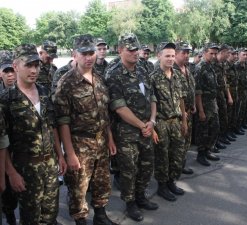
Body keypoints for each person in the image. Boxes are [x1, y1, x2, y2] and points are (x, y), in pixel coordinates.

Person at [54, 34, 117, 225]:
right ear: (75, 55)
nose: (89, 57)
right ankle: (80, 220)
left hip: (101, 140)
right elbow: (62, 121)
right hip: (79, 143)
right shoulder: (66, 83)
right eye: (85, 53)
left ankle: (100, 215)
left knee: (102, 181)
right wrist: (69, 154)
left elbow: (104, 113)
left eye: (92, 53)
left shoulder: (99, 78)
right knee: (78, 187)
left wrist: (110, 139)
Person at [0, 43, 66, 225]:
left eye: (36, 65)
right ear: (15, 66)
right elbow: (2, 141)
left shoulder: (44, 93)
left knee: (50, 214)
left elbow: (52, 125)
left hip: (50, 165)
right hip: (25, 169)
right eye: (28, 65)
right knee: (30, 218)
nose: (34, 70)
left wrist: (60, 155)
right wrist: (11, 172)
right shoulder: (6, 100)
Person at [105, 33, 158, 222]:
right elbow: (120, 108)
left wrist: (152, 121)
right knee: (129, 170)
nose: (135, 53)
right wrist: (143, 125)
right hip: (126, 133)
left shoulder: (143, 70)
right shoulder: (113, 75)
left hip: (146, 129)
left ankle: (141, 196)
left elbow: (152, 97)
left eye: (137, 49)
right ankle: (130, 203)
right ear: (120, 51)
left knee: (146, 165)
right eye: (131, 49)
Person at [151, 42, 187, 201]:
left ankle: (171, 181)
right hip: (161, 122)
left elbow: (181, 99)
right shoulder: (152, 77)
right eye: (167, 56)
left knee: (176, 154)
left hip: (176, 121)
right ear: (159, 56)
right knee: (162, 156)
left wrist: (184, 120)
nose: (171, 59)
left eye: (173, 56)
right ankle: (162, 186)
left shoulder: (178, 75)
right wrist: (152, 127)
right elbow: (148, 104)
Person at [194, 43, 221, 166]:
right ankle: (201, 154)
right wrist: (201, 111)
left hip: (212, 103)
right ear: (205, 53)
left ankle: (208, 150)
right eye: (211, 53)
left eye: (215, 53)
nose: (214, 56)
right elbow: (198, 92)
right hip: (204, 105)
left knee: (214, 128)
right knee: (203, 131)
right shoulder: (200, 68)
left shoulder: (211, 66)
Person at [0, 50, 18, 225]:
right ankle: (10, 214)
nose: (10, 75)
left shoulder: (24, 91)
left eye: (12, 70)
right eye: (6, 71)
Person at [173, 41, 195, 175]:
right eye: (184, 52)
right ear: (176, 53)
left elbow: (191, 89)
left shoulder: (188, 68)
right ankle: (175, 168)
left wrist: (193, 106)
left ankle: (182, 164)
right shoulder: (172, 69)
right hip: (178, 114)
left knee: (186, 140)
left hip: (188, 111)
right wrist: (181, 112)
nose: (187, 55)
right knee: (178, 143)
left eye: (188, 53)